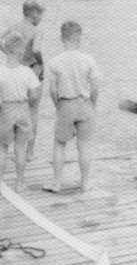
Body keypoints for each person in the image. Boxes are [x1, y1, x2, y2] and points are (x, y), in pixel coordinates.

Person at [43, 21, 101, 194]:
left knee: (60, 144)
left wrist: (58, 106)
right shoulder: (88, 60)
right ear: (79, 38)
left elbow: (53, 90)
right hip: (84, 104)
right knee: (84, 146)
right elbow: (95, 87)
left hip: (65, 104)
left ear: (62, 38)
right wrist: (92, 105)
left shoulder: (54, 62)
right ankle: (84, 183)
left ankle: (57, 183)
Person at [0, 31, 42, 193]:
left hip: (6, 108)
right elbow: (35, 94)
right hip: (22, 108)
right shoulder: (27, 71)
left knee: (2, 147)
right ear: (21, 51)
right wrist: (28, 103)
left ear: (6, 49)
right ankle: (19, 183)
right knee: (20, 148)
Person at [2, 0, 45, 161]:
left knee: (16, 109)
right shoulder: (37, 30)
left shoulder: (14, 27)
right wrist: (40, 63)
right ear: (34, 13)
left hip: (15, 70)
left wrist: (10, 56)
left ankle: (15, 150)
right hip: (33, 70)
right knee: (33, 112)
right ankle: (29, 153)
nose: (41, 18)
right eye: (41, 14)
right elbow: (36, 49)